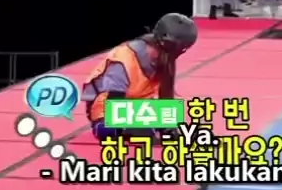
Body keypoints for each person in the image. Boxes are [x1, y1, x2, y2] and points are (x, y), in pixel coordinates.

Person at [83, 13, 198, 141]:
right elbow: (114, 104)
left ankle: (141, 128)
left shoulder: (166, 61)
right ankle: (129, 130)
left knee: (171, 114)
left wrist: (169, 128)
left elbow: (166, 100)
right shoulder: (124, 59)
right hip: (107, 107)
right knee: (109, 130)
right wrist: (135, 125)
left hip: (136, 105)